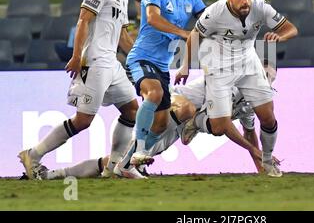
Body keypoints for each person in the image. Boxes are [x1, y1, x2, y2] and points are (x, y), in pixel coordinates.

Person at [18, 0, 139, 179]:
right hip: (94, 63)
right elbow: (83, 20)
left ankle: (114, 166)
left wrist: (137, 59)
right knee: (84, 120)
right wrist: (76, 56)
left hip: (112, 64)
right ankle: (33, 155)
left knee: (132, 110)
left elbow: (122, 36)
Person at [41, 63, 278, 180]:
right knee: (194, 110)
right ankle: (193, 123)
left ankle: (53, 175)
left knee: (114, 165)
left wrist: (263, 167)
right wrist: (256, 152)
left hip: (181, 123)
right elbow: (226, 126)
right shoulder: (227, 82)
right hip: (174, 104)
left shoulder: (250, 105)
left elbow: (249, 132)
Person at [175, 0, 298, 177]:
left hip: (249, 64)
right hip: (220, 68)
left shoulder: (261, 6)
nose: (245, 1)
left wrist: (281, 37)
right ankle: (195, 121)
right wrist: (185, 65)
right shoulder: (214, 13)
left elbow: (291, 29)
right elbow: (194, 37)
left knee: (268, 117)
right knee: (220, 126)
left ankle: (267, 162)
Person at [122, 0, 206, 170]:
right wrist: (183, 33)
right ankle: (139, 152)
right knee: (155, 93)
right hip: (141, 58)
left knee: (160, 125)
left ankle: (126, 164)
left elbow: (209, 22)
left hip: (162, 66)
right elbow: (152, 19)